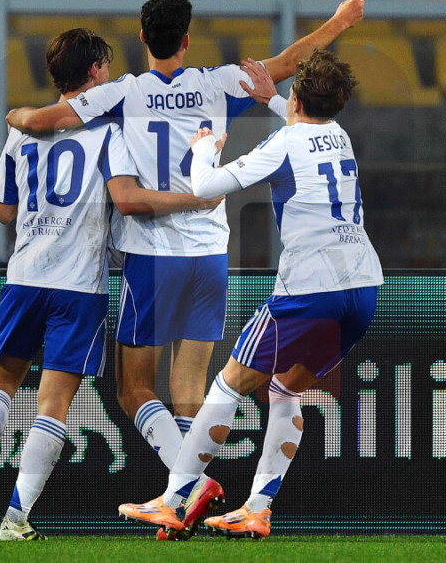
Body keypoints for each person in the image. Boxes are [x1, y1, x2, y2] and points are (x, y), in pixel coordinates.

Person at [4, 0, 372, 539]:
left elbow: (44, 120)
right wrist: (340, 21)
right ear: (187, 40)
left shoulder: (124, 92)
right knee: (192, 386)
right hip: (210, 254)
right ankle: (195, 497)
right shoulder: (219, 83)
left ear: (142, 38)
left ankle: (185, 491)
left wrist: (17, 114)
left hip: (153, 254)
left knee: (134, 389)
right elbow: (289, 65)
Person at [0, 28, 217, 541]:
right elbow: (127, 197)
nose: (109, 74)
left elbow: (3, 211)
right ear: (93, 71)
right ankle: (15, 517)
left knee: (0, 381)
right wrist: (197, 198)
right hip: (80, 286)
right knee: (54, 404)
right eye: (105, 66)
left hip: (24, 276)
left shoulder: (21, 132)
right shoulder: (108, 132)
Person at [118, 49, 383, 539]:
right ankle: (256, 509)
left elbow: (205, 187)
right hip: (363, 288)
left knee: (228, 385)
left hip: (309, 289)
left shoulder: (283, 142)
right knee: (285, 388)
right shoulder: (340, 136)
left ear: (297, 98)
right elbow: (307, 125)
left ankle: (173, 501)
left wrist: (204, 147)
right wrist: (271, 99)